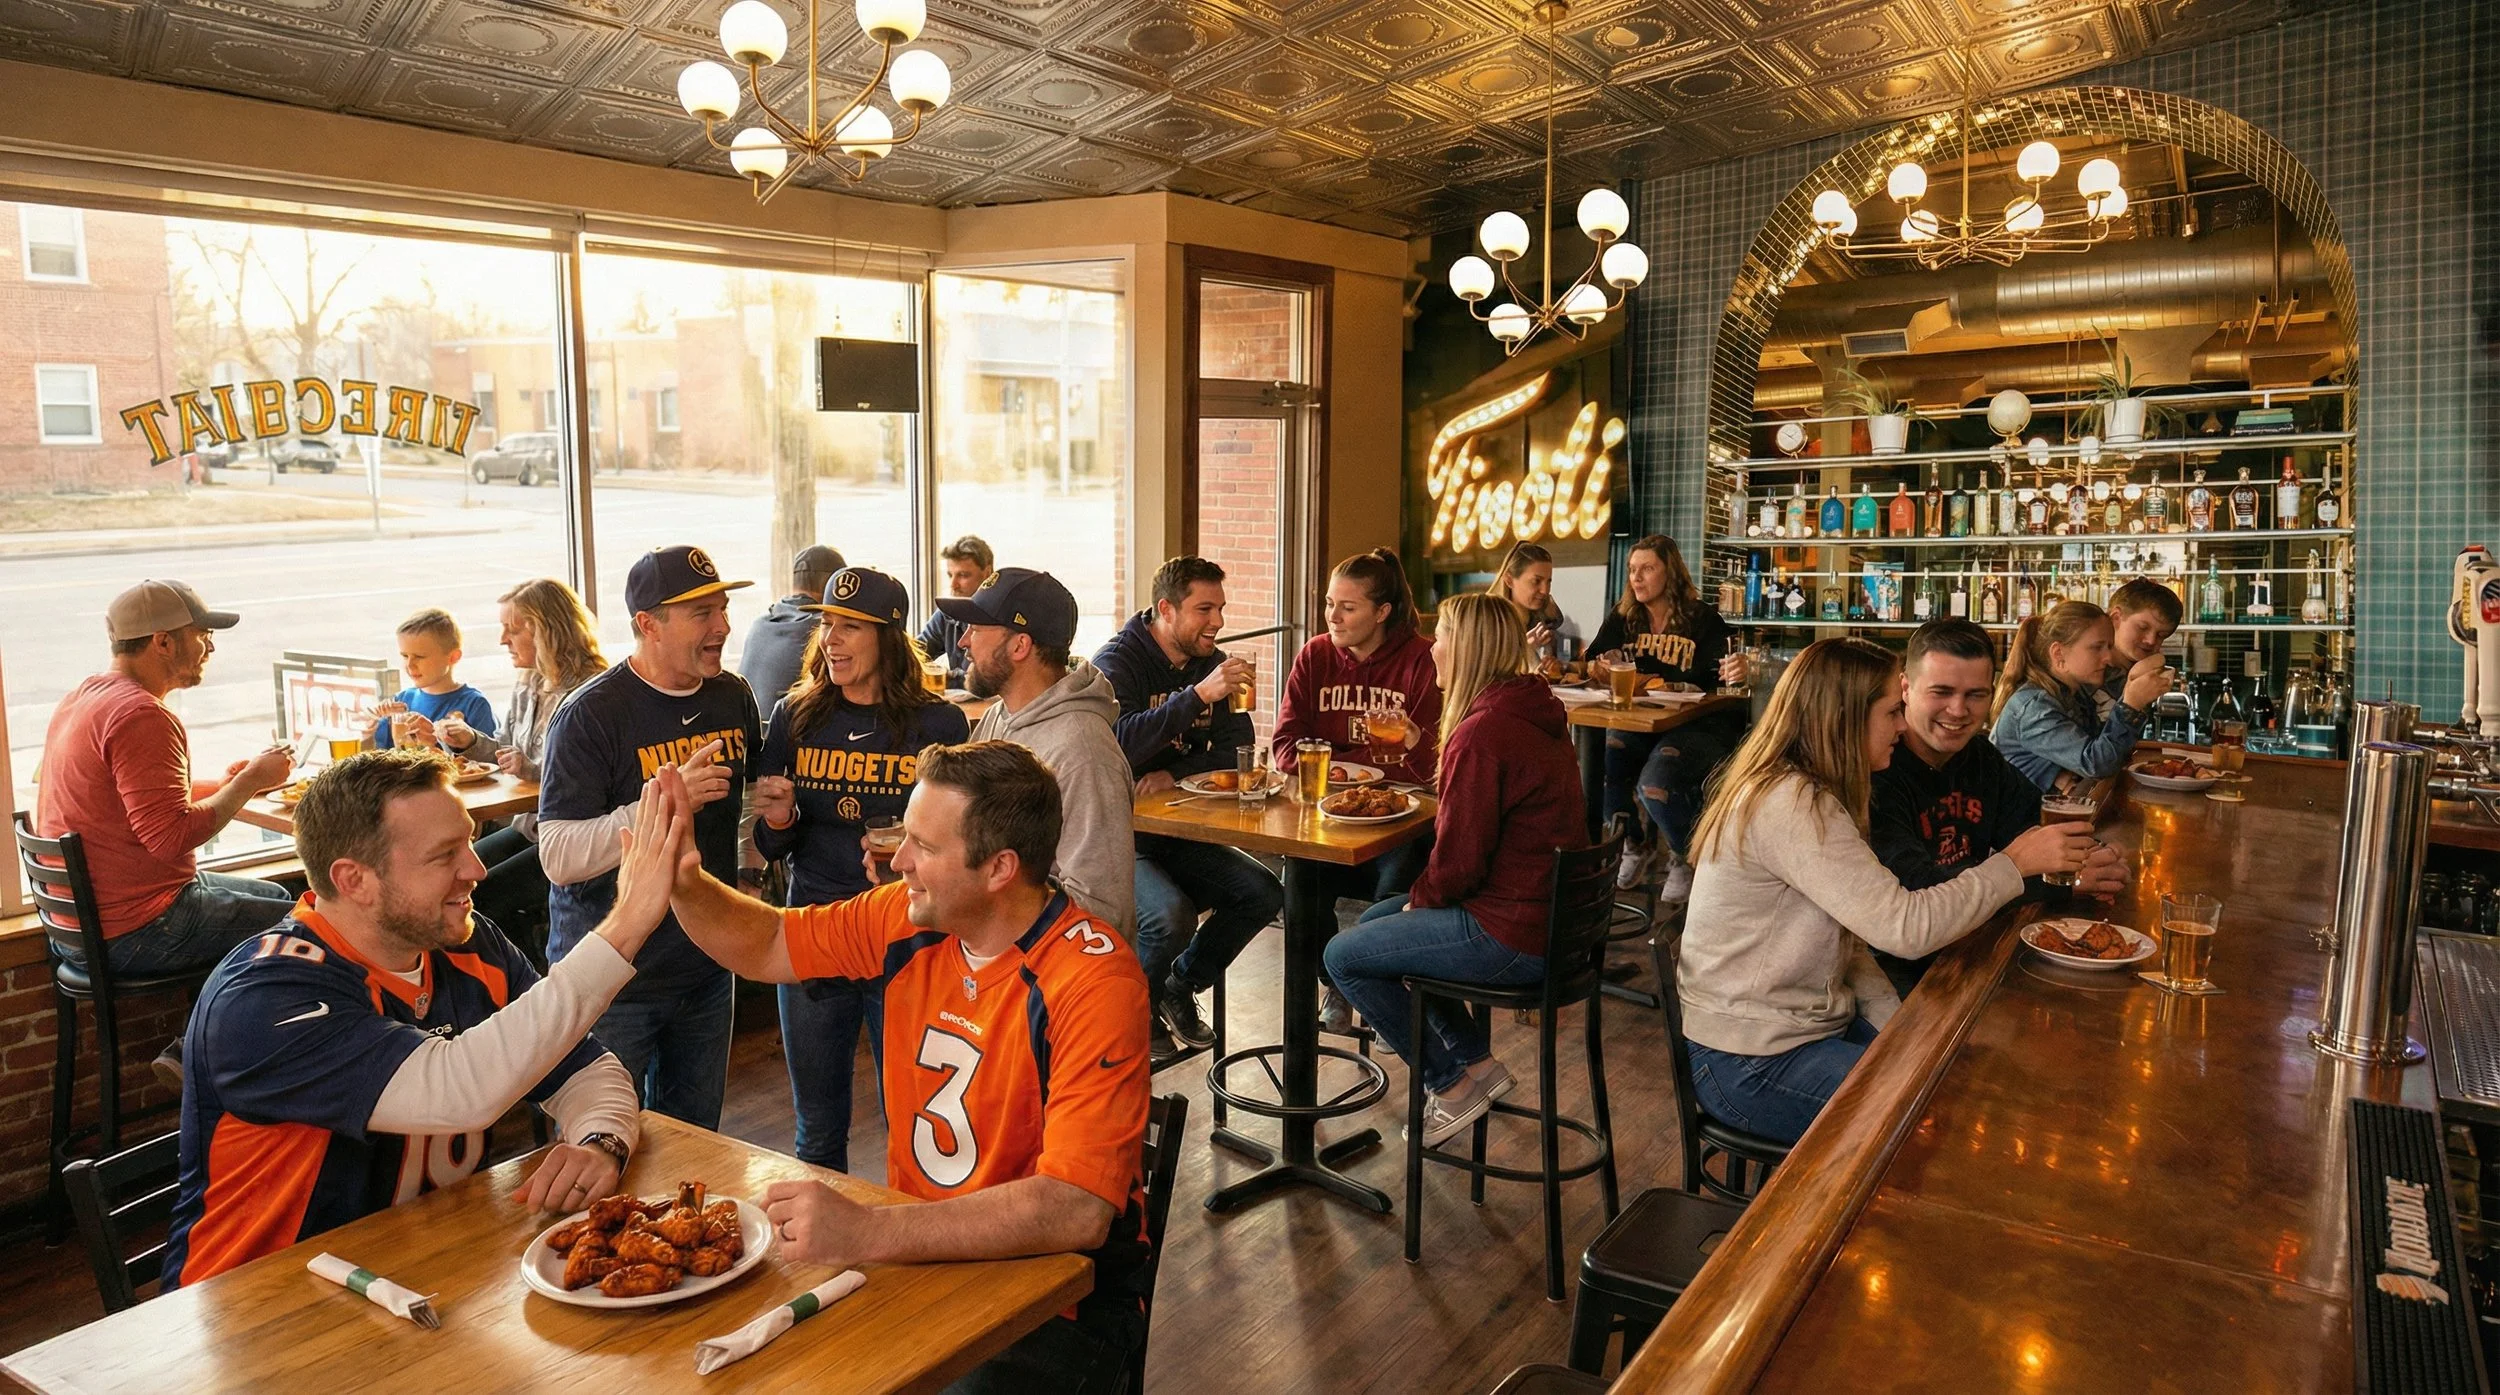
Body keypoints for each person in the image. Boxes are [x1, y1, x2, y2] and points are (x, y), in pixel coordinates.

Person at [654, 742, 1151, 1393]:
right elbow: (770, 940)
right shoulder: (910, 916)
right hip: (922, 1261)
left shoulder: (1092, 977)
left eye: (924, 845)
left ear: (1000, 866)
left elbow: (1076, 1209)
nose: (899, 860)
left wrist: (867, 1227)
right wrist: (683, 883)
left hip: (1056, 1300)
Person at [159, 747, 673, 1288]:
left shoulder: (466, 947)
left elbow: (590, 1070)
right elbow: (457, 1091)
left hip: (416, 1275)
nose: (476, 870)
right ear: (355, 880)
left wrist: (601, 1142)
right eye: (444, 855)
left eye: (470, 841)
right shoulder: (264, 995)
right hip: (253, 1310)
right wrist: (625, 926)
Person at [1676, 638, 2093, 1145]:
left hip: (1794, 1033)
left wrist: (1900, 1028)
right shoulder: (1791, 804)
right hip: (1748, 1061)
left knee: (1963, 1069)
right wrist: (2013, 865)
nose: (1902, 725)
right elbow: (1906, 928)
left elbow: (1853, 945)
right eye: (1893, 711)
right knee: (1943, 1115)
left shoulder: (1811, 790)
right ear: (1847, 717)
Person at [1323, 595, 1583, 1145]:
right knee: (1377, 921)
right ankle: (1476, 1064)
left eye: (1440, 636)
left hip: (1513, 932)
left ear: (1464, 648)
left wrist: (1424, 900)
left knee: (1342, 956)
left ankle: (1449, 1086)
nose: (1433, 648)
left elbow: (1460, 861)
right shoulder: (1530, 708)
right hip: (1552, 922)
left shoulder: (1483, 731)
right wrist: (1422, 901)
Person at [751, 566, 968, 1172]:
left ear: (890, 636)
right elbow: (771, 845)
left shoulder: (938, 724)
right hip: (816, 925)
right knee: (817, 1126)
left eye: (851, 626)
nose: (832, 640)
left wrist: (913, 849)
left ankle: (906, 1243)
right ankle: (822, 1256)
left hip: (906, 931)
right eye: (826, 625)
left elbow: (959, 838)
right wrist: (780, 820)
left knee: (910, 1116)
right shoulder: (796, 715)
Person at [537, 545, 760, 1129]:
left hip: (707, 962)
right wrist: (663, 801)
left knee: (695, 1144)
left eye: (723, 608)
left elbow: (746, 805)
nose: (723, 626)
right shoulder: (591, 714)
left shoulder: (733, 696)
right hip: (614, 977)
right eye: (702, 614)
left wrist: (755, 864)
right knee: (597, 1151)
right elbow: (558, 856)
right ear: (647, 624)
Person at [35, 579, 296, 977]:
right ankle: (239, 1035)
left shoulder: (84, 697)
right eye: (203, 635)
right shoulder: (142, 716)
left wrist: (231, 783)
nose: (210, 647)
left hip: (80, 929)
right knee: (304, 929)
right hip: (135, 929)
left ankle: (217, 1022)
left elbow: (136, 801)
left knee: (277, 896)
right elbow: (170, 838)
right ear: (163, 642)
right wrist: (249, 782)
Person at [1868, 619, 2126, 994]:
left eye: (1975, 694)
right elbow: (1919, 892)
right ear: (1906, 687)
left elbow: (2034, 828)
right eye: (1941, 692)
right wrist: (2062, 884)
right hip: (1903, 977)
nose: (1958, 710)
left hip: (1975, 949)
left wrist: (2092, 860)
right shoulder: (1880, 769)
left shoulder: (1979, 757)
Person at [1092, 557, 1282, 1058]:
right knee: (1170, 918)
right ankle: (1133, 1013)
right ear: (1166, 610)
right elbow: (1115, 745)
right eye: (1205, 609)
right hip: (1119, 841)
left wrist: (1174, 771)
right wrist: (1197, 696)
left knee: (1263, 893)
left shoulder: (1211, 662)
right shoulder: (1117, 663)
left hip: (1183, 836)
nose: (1217, 622)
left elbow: (1238, 751)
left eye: (1220, 608)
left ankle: (1176, 986)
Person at [1273, 547, 1442, 1031]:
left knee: (1398, 878)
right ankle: (1337, 986)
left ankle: (1386, 997)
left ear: (1382, 612)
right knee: (1301, 881)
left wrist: (1338, 766)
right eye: (1329, 603)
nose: (1333, 616)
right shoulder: (1315, 656)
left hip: (1398, 820)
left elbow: (1425, 764)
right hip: (1328, 817)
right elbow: (1286, 745)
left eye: (1348, 607)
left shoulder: (1423, 661)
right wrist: (1347, 774)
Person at [949, 567, 1136, 937]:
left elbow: (1101, 909)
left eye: (978, 629)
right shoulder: (998, 718)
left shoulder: (1084, 752)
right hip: (991, 959)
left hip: (1046, 982)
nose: (963, 642)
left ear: (1020, 646)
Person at [442, 578, 608, 958]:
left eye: (513, 629)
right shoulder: (527, 681)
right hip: (527, 826)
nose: (503, 640)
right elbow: (507, 751)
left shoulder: (594, 692)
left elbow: (592, 779)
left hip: (568, 840)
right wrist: (471, 741)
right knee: (450, 880)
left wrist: (532, 770)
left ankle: (514, 986)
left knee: (478, 897)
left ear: (548, 631)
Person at [1586, 534, 1745, 898]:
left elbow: (1725, 671)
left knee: (1656, 783)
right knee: (1601, 763)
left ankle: (1683, 855)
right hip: (1642, 722)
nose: (1636, 578)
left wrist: (1741, 666)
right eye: (1631, 570)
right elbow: (1595, 659)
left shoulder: (1703, 619)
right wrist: (1600, 663)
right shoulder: (1624, 618)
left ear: (1669, 572)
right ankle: (1634, 845)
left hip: (1696, 725)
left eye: (1647, 568)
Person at [1992, 600, 2170, 795]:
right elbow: (2097, 764)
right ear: (2058, 653)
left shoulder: (2075, 693)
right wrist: (2131, 705)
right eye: (2097, 647)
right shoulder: (2035, 706)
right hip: (2026, 822)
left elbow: (2109, 750)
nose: (2108, 658)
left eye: (2109, 647)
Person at [739, 544, 846, 720]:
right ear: (833, 587)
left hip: (753, 737)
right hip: (790, 737)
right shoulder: (822, 629)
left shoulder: (759, 625)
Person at [369, 608, 497, 751]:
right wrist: (372, 724)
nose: (410, 664)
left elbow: (488, 761)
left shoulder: (474, 704)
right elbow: (380, 755)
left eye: (419, 656)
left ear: (453, 657)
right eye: (405, 656)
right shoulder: (402, 700)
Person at [2098, 577, 2183, 720]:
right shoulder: (2087, 671)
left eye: (2162, 635)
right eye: (2142, 627)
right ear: (2116, 618)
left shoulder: (2143, 675)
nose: (2151, 641)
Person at [916, 535, 994, 687]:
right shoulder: (947, 614)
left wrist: (945, 677)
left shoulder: (1003, 620)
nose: (953, 585)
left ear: (987, 573)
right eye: (950, 575)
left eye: (963, 575)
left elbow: (988, 680)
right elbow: (914, 655)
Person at [1488, 541, 1582, 662]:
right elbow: (1485, 674)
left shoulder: (1546, 617)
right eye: (1536, 581)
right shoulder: (1490, 623)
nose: (1545, 590)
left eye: (1549, 582)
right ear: (1509, 580)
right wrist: (1525, 651)